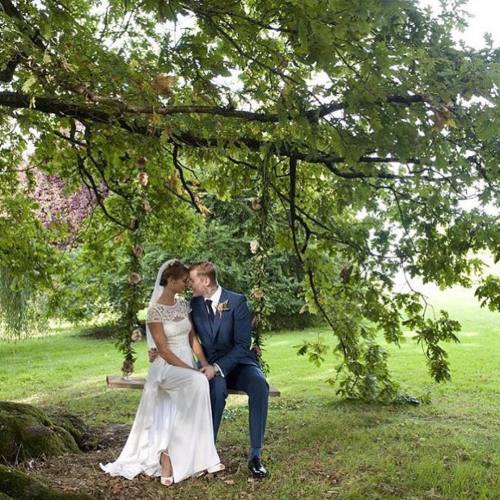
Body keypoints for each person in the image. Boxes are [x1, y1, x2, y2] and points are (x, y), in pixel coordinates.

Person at [100, 259, 224, 486]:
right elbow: (164, 351)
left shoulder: (183, 305)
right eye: (183, 281)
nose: (187, 284)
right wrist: (193, 372)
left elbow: (192, 339)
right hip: (166, 367)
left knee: (197, 389)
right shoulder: (154, 311)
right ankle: (177, 456)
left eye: (189, 281)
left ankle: (189, 455)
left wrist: (203, 363)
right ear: (170, 281)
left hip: (186, 363)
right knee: (198, 383)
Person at [189, 261, 269, 478]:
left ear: (205, 280)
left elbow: (243, 344)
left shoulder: (237, 301)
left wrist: (218, 367)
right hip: (210, 366)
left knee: (260, 384)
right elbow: (186, 336)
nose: (189, 284)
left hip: (241, 364)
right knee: (216, 389)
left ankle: (255, 456)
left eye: (193, 280)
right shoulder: (194, 304)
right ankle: (207, 453)